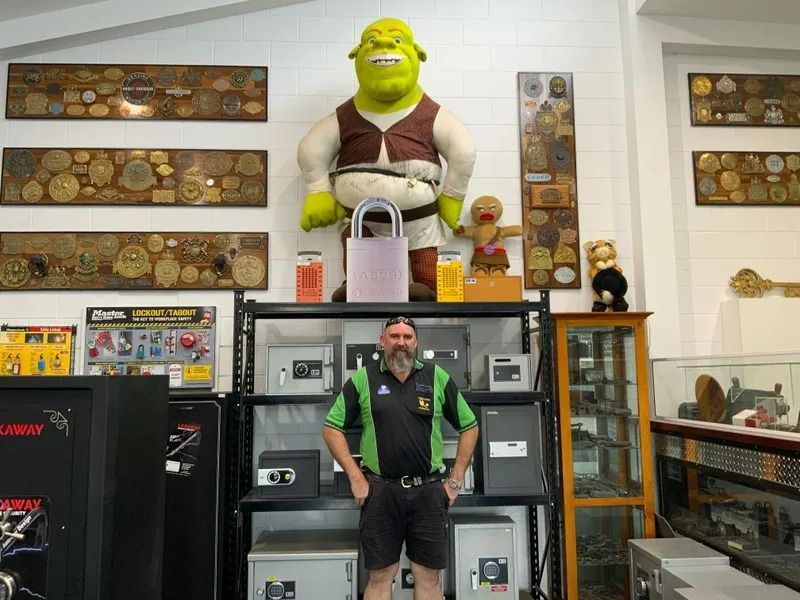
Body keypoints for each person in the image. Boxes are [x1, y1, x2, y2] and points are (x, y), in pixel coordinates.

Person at [323, 316, 479, 600]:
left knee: (429, 579)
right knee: (380, 576)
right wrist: (356, 477)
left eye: (407, 337)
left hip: (430, 492)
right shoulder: (362, 379)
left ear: (416, 343)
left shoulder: (437, 377)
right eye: (394, 336)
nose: (401, 343)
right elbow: (331, 427)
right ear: (382, 342)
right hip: (381, 492)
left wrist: (455, 480)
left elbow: (469, 426)